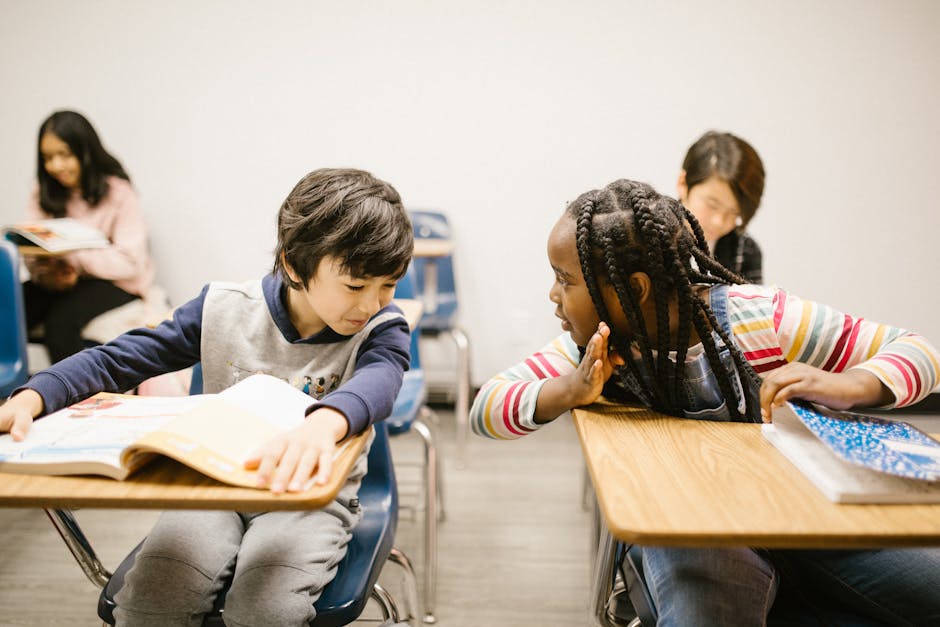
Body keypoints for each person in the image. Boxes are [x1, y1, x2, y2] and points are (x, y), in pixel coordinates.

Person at [470, 178, 940, 625]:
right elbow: (485, 409)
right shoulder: (589, 351)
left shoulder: (757, 317)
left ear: (633, 289)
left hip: (806, 521)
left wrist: (852, 384)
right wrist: (567, 391)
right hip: (695, 534)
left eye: (564, 280)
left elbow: (921, 353)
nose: (553, 295)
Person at [0, 168, 415, 626]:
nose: (372, 304)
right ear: (295, 265)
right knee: (148, 607)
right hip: (211, 489)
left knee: (265, 612)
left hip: (308, 500)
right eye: (356, 286)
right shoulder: (224, 307)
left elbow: (380, 378)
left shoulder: (382, 327)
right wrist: (36, 395)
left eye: (388, 285)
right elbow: (118, 359)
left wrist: (325, 422)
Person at [22, 109, 155, 363]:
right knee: (11, 307)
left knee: (61, 322)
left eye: (64, 155)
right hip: (60, 280)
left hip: (115, 283)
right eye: (48, 158)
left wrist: (74, 259)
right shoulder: (43, 192)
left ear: (85, 152)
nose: (55, 166)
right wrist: (48, 276)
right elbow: (34, 251)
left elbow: (129, 262)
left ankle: (75, 396)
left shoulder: (119, 192)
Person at [677, 130, 765, 283]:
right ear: (683, 184)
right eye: (712, 205)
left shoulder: (745, 251)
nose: (719, 221)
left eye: (734, 213)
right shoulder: (651, 234)